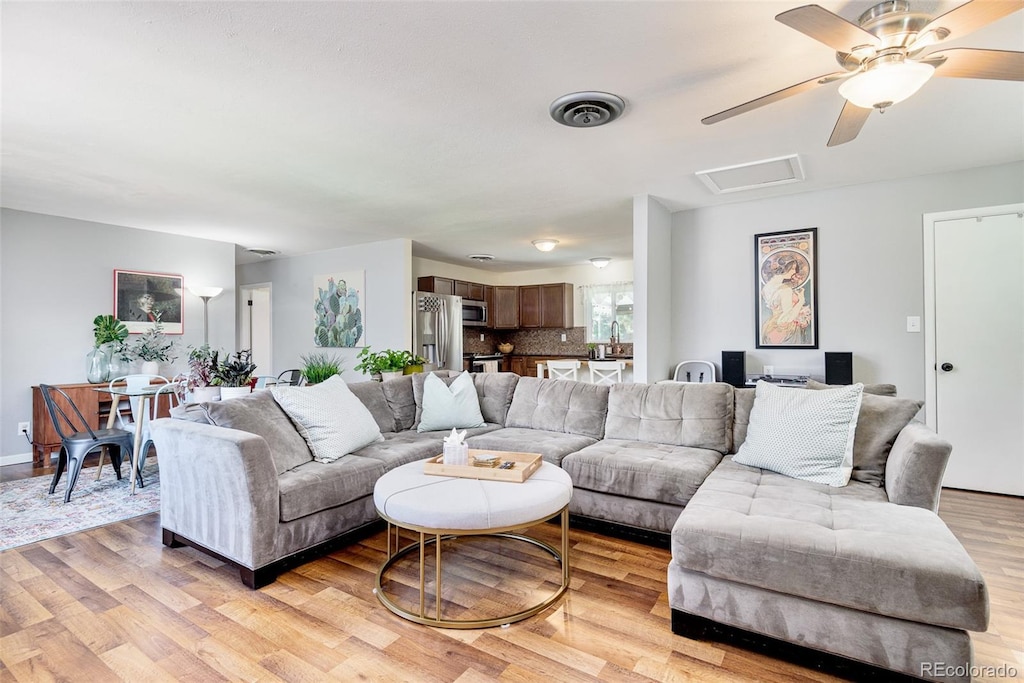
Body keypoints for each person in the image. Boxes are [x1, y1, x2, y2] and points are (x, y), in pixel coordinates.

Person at [760, 254, 811, 345]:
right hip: (785, 329)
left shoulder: (768, 287)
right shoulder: (785, 290)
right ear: (784, 269)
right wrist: (801, 300)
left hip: (770, 326)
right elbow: (786, 318)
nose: (794, 271)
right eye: (792, 268)